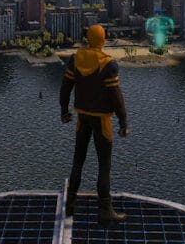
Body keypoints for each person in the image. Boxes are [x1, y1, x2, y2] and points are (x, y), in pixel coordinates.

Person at [60, 24, 129, 223]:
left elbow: (65, 87)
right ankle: (105, 211)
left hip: (82, 118)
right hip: (102, 120)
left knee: (77, 161)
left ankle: (70, 205)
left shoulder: (76, 58)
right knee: (104, 166)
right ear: (103, 39)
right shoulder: (108, 64)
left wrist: (64, 111)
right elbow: (116, 96)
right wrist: (123, 120)